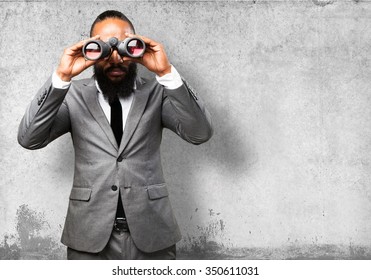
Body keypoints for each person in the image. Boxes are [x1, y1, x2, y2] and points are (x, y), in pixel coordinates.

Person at [17, 10, 212, 260]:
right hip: (88, 237)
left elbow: (200, 133)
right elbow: (29, 138)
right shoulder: (72, 95)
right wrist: (62, 77)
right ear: (91, 49)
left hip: (152, 235)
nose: (116, 58)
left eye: (123, 46)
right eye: (105, 49)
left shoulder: (157, 92)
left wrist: (166, 73)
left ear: (136, 47)